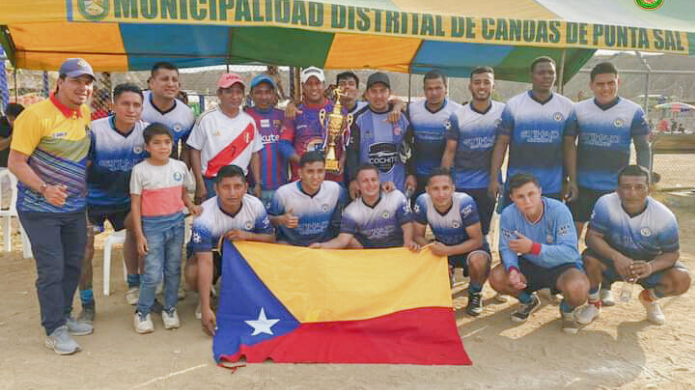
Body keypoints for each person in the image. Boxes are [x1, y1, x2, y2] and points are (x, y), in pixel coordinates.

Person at [8, 58, 95, 354]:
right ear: (60, 82)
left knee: (74, 263)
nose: (83, 87)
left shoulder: (83, 113)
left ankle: (66, 315)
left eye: (87, 82)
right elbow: (15, 162)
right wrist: (44, 189)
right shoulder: (34, 116)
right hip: (39, 207)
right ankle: (54, 329)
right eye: (76, 81)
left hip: (73, 207)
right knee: (51, 268)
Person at [577, 165, 690, 326]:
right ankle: (594, 304)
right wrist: (617, 257)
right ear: (617, 189)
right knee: (588, 259)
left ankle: (649, 299)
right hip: (613, 261)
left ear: (649, 189)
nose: (632, 193)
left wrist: (650, 267)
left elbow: (672, 254)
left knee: (682, 279)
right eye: (626, 187)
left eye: (639, 187)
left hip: (646, 265)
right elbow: (592, 237)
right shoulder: (606, 203)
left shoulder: (664, 217)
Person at [80, 83, 148, 322]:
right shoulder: (94, 131)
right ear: (113, 105)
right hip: (91, 201)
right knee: (84, 250)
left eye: (136, 105)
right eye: (125, 104)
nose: (131, 109)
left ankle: (135, 285)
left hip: (126, 201)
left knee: (140, 232)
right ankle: (87, 303)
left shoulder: (146, 132)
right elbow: (80, 167)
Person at [488, 174, 588, 334]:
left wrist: (534, 248)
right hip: (530, 262)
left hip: (562, 266)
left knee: (579, 289)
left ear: (540, 192)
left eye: (531, 194)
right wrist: (513, 269)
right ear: (512, 198)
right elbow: (507, 248)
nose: (527, 201)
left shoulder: (559, 210)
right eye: (520, 196)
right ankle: (528, 301)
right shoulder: (509, 214)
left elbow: (570, 252)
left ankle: (567, 309)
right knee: (497, 278)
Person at [185, 165, 275, 334]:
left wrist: (247, 236)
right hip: (213, 258)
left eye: (237, 186)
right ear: (216, 189)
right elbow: (205, 261)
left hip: (245, 256)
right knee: (193, 273)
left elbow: (270, 239)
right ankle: (207, 297)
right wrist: (205, 308)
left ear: (246, 187)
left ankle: (253, 294)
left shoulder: (255, 205)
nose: (232, 193)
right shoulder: (204, 216)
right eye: (226, 187)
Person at [566, 62, 651, 240]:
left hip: (616, 188)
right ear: (591, 85)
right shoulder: (578, 109)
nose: (606, 88)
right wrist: (572, 180)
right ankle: (570, 266)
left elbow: (643, 147)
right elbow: (568, 145)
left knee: (609, 239)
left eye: (611, 83)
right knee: (572, 235)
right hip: (583, 186)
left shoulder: (633, 111)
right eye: (600, 84)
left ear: (618, 81)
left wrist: (645, 180)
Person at [129, 123, 199, 334]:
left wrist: (190, 205)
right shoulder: (140, 170)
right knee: (151, 273)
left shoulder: (179, 167)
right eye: (157, 143)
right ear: (147, 147)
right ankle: (142, 312)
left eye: (167, 142)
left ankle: (169, 309)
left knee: (173, 268)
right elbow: (135, 204)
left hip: (177, 224)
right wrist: (139, 235)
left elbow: (182, 192)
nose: (163, 147)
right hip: (152, 227)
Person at [488, 56, 575, 208]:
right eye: (541, 73)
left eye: (551, 73)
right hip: (518, 187)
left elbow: (569, 146)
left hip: (552, 186)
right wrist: (494, 178)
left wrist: (572, 180)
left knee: (547, 230)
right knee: (515, 229)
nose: (547, 76)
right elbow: (501, 143)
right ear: (531, 76)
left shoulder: (567, 106)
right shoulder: (514, 105)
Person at [412, 168, 490, 316]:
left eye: (445, 188)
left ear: (453, 188)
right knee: (421, 257)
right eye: (435, 189)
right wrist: (435, 251)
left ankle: (475, 292)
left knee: (479, 261)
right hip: (443, 246)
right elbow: (417, 236)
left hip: (469, 248)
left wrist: (446, 252)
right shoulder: (422, 201)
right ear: (427, 190)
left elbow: (477, 239)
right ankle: (447, 275)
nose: (441, 194)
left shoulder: (464, 202)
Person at [442, 66, 504, 236]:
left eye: (486, 82)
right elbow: (449, 152)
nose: (481, 86)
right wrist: (445, 181)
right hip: (462, 183)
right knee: (460, 229)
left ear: (493, 86)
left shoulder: (503, 112)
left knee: (482, 231)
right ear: (470, 86)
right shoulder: (458, 116)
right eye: (477, 82)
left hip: (489, 184)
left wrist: (495, 179)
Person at [187, 73, 262, 202]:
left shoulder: (249, 121)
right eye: (229, 92)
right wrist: (200, 184)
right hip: (212, 182)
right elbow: (194, 151)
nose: (234, 97)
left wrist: (257, 183)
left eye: (239, 92)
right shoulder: (206, 119)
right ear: (219, 94)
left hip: (239, 182)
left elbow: (255, 154)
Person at [312, 164, 418, 251]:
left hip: (396, 247)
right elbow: (342, 240)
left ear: (379, 181)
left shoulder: (395, 196)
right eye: (365, 181)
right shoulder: (351, 211)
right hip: (368, 253)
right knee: (351, 240)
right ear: (357, 185)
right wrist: (322, 246)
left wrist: (408, 242)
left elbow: (407, 224)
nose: (370, 184)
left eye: (373, 180)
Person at [346, 72, 416, 198]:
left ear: (389, 93)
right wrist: (352, 179)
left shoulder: (402, 117)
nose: (378, 96)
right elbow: (352, 153)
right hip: (368, 189)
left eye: (383, 91)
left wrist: (412, 174)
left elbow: (411, 149)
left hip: (397, 186)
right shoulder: (358, 119)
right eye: (373, 91)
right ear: (367, 94)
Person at [279, 67, 345, 183]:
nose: (314, 88)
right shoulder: (294, 112)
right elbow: (283, 144)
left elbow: (348, 143)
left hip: (332, 179)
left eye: (317, 83)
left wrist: (342, 161)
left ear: (323, 85)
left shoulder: (338, 111)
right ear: (303, 86)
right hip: (302, 181)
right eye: (309, 84)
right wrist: (304, 162)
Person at [405, 70, 462, 199]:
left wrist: (444, 177)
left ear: (446, 89)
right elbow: (407, 144)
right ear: (424, 90)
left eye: (438, 88)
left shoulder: (457, 111)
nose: (434, 93)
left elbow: (454, 148)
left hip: (446, 175)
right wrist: (410, 173)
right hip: (419, 175)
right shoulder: (413, 109)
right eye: (429, 89)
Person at [269, 151, 346, 246]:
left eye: (320, 171)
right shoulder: (283, 193)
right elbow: (267, 220)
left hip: (323, 245)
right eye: (310, 171)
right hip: (292, 244)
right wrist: (281, 220)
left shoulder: (335, 189)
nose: (315, 177)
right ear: (300, 173)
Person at [245, 74, 287, 209]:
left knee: (280, 225)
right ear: (251, 94)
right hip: (253, 187)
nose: (263, 97)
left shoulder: (283, 116)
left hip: (280, 185)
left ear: (274, 94)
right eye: (258, 92)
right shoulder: (244, 117)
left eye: (267, 92)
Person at [141, 62, 195, 162]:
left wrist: (182, 172)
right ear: (151, 83)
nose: (170, 84)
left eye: (174, 80)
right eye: (164, 79)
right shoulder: (136, 102)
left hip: (166, 172)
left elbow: (186, 149)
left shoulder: (187, 114)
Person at [0, 103, 24, 207]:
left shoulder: (28, 122)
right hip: (3, 165)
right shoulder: (2, 124)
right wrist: (13, 136)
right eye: (12, 119)